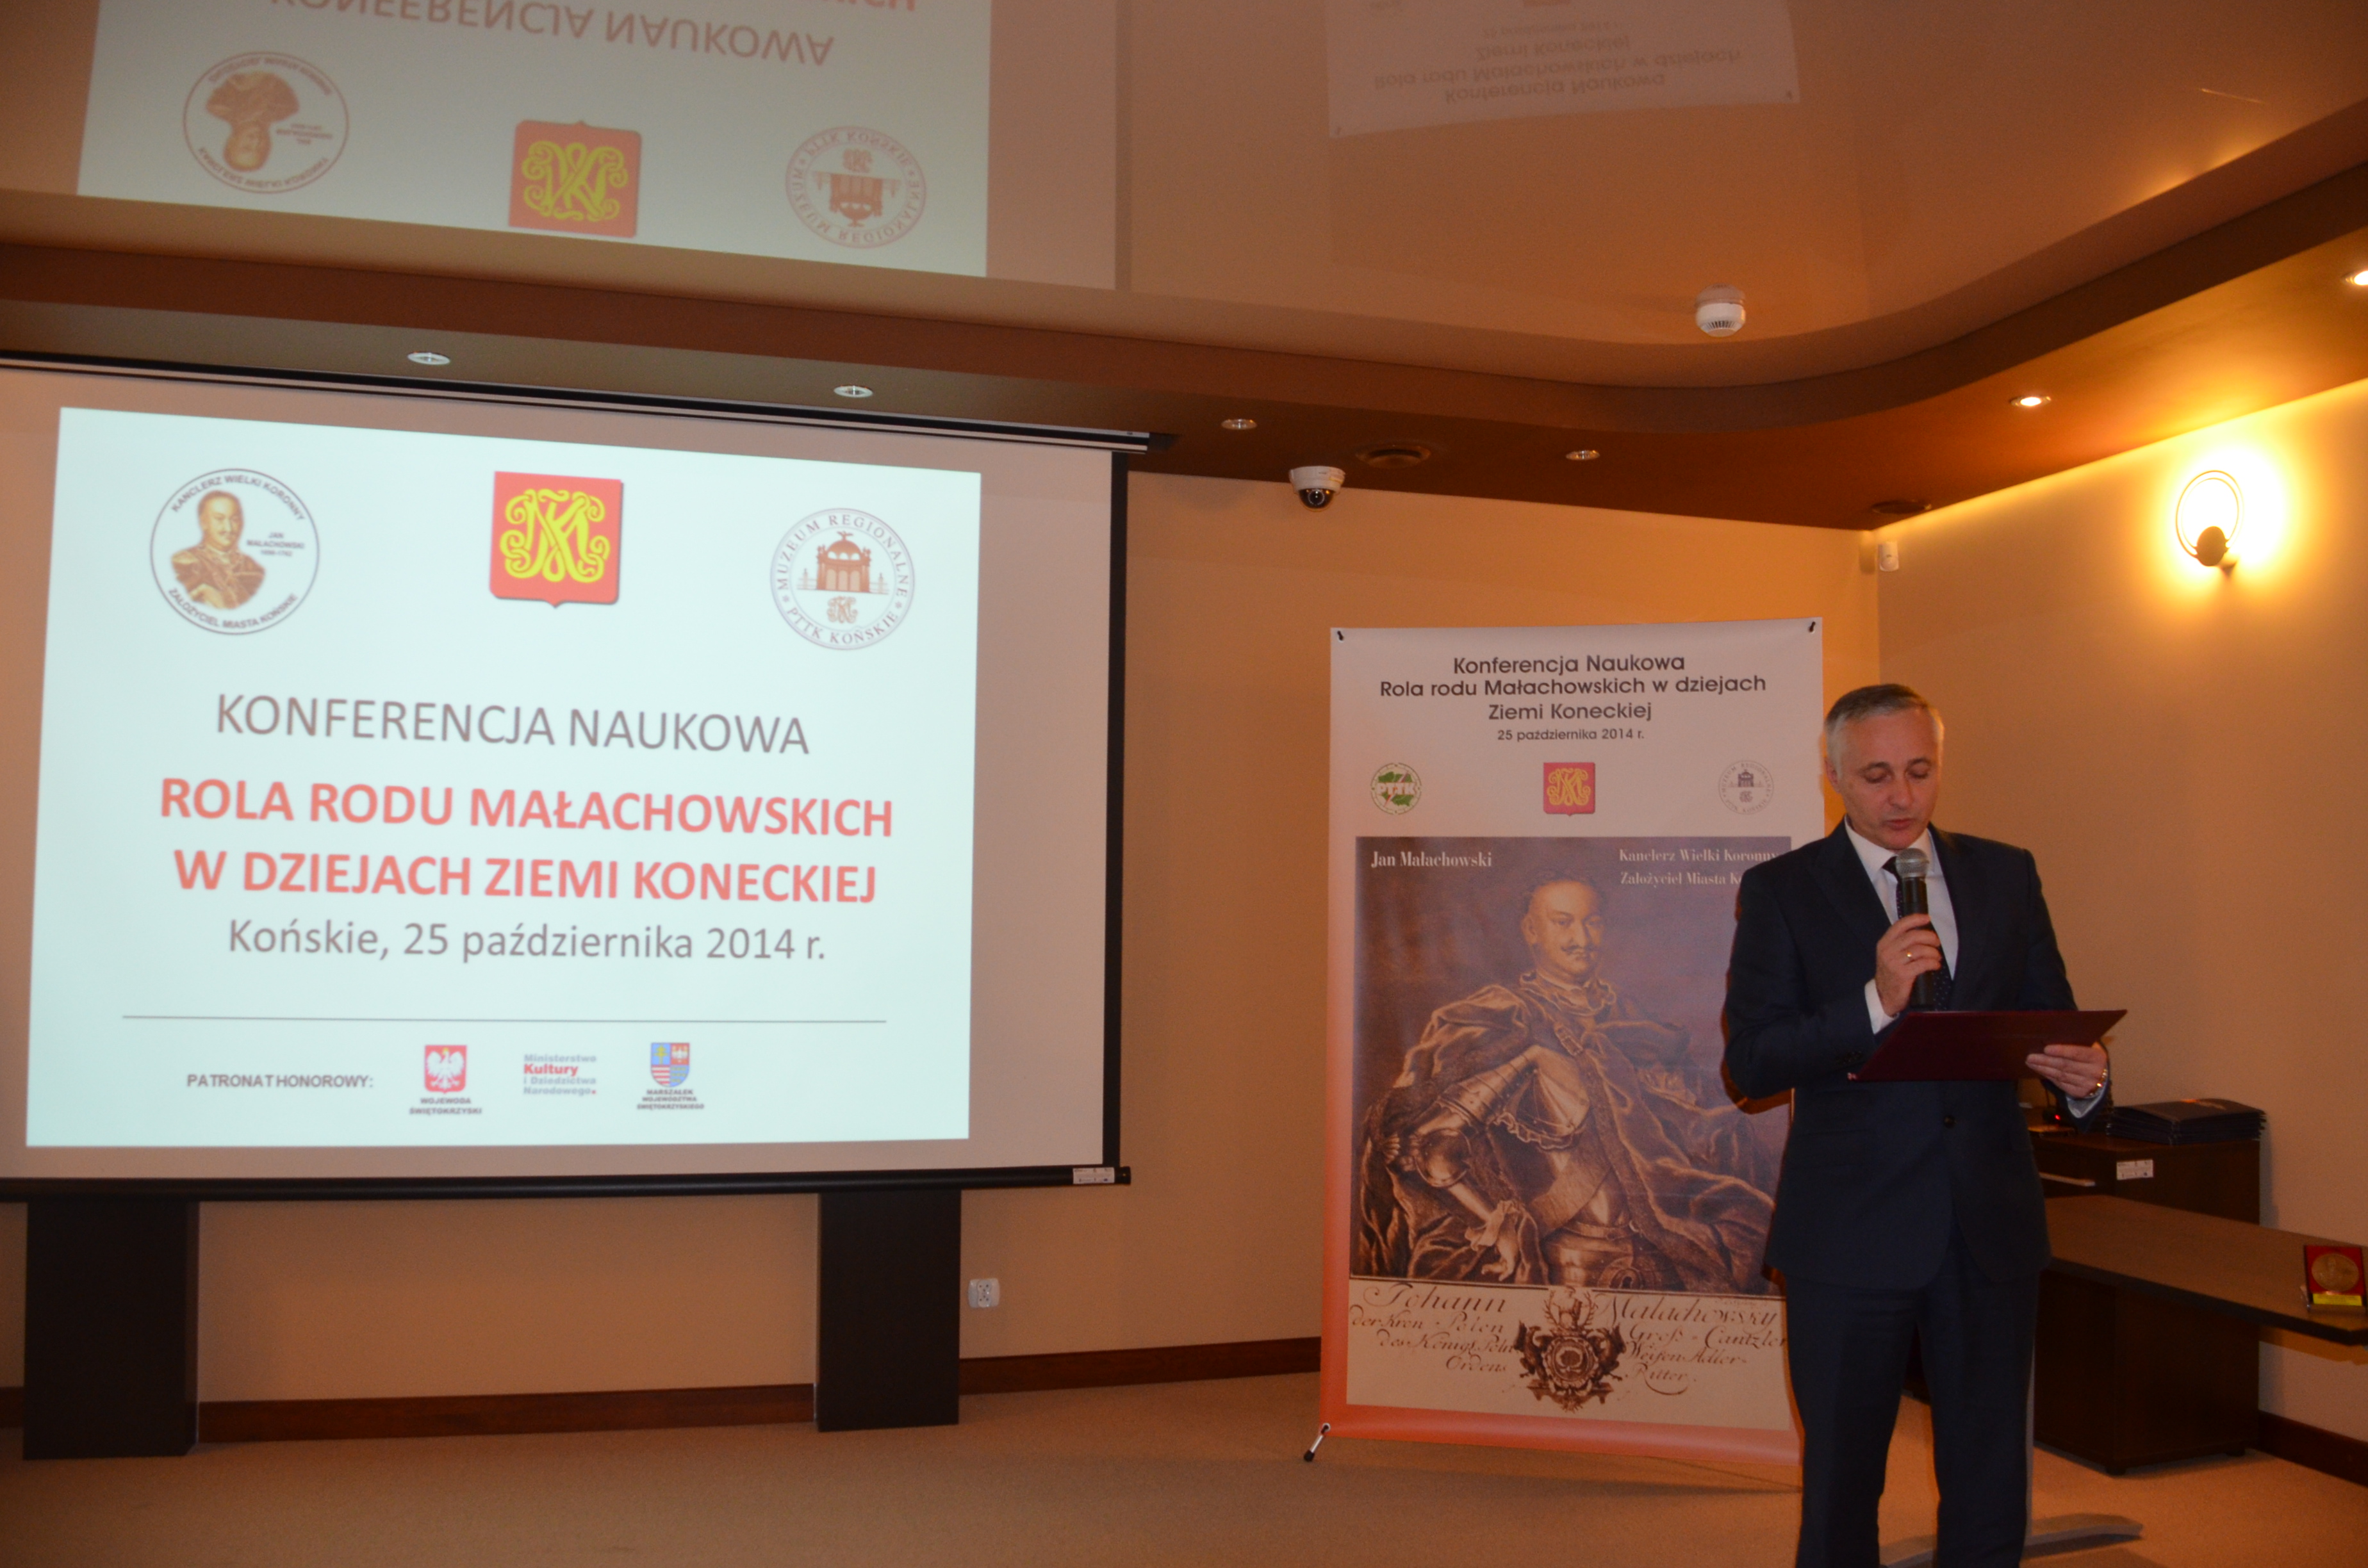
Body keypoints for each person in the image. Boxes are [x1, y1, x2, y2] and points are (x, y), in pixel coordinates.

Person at [1723, 683, 2110, 1568]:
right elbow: (1753, 1063)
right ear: (1834, 776)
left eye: (1920, 771)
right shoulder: (1783, 891)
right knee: (1843, 1482)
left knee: (1990, 1477)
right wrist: (1875, 1000)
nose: (1902, 796)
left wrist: (2084, 1081)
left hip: (1988, 1224)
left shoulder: (2006, 874)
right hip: (1849, 1231)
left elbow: (2048, 1020)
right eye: (1876, 776)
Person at [1357, 875, 1775, 1293]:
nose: (1582, 939)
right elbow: (1430, 1142)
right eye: (1563, 923)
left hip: (1663, 1270)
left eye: (1592, 923)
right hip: (1558, 1271)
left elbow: (1707, 1137)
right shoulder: (1501, 1020)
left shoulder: (1640, 1025)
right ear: (1531, 931)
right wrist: (1495, 1224)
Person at [171, 489, 266, 610]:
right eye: (219, 519)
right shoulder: (185, 564)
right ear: (204, 523)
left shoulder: (252, 566)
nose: (229, 528)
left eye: (234, 520)